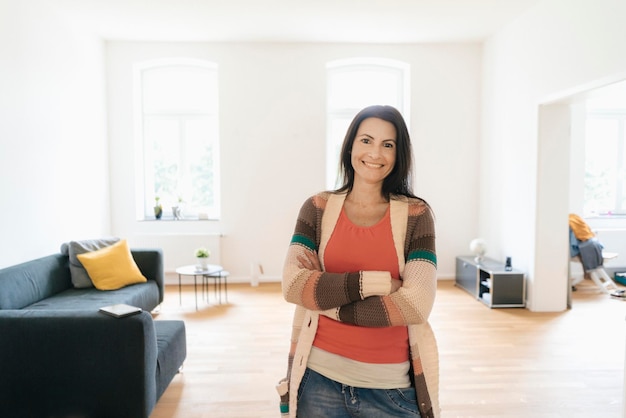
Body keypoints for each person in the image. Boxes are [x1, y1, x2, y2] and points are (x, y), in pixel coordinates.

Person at [276, 105, 439, 418]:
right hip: (318, 379)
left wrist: (321, 295)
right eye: (366, 140)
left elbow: (416, 305)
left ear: (398, 154)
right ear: (350, 145)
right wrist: (380, 284)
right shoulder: (317, 208)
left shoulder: (417, 216)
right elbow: (293, 285)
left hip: (390, 389)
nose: (375, 153)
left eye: (387, 145)